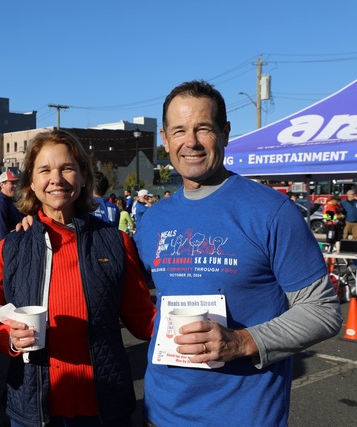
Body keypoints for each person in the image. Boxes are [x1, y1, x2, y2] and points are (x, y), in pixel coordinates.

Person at [132, 80, 342, 426]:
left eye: (203, 128)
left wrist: (243, 341)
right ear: (165, 141)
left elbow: (322, 311)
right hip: (161, 413)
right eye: (179, 130)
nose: (191, 142)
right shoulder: (154, 219)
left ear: (225, 132)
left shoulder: (272, 211)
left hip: (244, 416)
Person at [0, 129, 156, 426]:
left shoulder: (116, 243)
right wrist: (8, 338)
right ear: (31, 182)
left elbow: (143, 320)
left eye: (67, 168)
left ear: (83, 176)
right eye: (45, 170)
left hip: (105, 408)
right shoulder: (9, 249)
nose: (56, 179)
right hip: (32, 409)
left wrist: (193, 325)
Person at [0, 170, 24, 241]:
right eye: (12, 183)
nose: (16, 185)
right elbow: (1, 234)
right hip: (8, 247)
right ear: (2, 185)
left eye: (16, 182)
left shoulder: (13, 200)